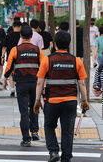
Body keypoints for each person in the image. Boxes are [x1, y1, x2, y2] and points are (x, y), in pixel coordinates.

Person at [34, 31, 89, 162]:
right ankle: (66, 157)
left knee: (49, 126)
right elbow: (82, 83)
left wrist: (37, 100)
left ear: (55, 45)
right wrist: (85, 101)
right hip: (70, 102)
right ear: (69, 44)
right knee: (68, 131)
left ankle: (53, 151)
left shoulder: (47, 60)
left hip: (52, 101)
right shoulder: (76, 61)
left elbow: (40, 82)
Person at [3, 25, 44, 147]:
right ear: (31, 36)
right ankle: (35, 131)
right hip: (35, 83)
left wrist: (5, 79)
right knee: (34, 106)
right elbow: (43, 68)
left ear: (21, 36)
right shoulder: (38, 50)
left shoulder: (15, 50)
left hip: (21, 84)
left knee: (24, 111)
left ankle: (26, 139)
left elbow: (9, 68)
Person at [2, 20, 22, 97]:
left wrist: (2, 57)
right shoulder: (22, 36)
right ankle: (18, 87)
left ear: (13, 27)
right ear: (20, 27)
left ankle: (12, 88)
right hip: (20, 58)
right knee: (19, 73)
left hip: (10, 57)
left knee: (10, 73)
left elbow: (4, 47)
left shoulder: (8, 36)